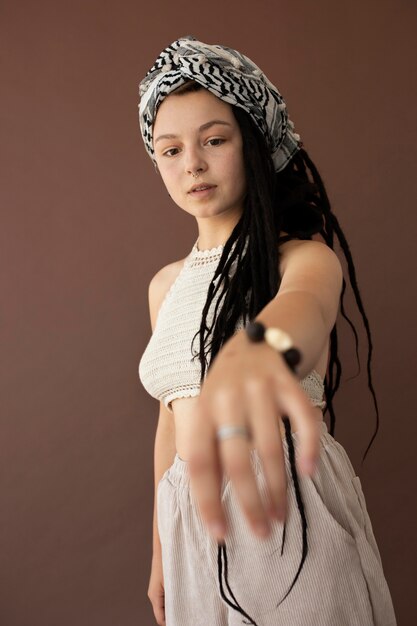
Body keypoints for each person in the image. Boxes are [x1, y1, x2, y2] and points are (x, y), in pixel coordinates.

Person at [137, 35, 397, 626]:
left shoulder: (299, 260)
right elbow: (168, 423)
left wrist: (258, 351)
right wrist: (160, 553)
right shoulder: (164, 287)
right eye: (170, 150)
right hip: (192, 529)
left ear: (253, 144)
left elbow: (303, 311)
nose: (192, 164)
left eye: (214, 140)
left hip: (289, 520)